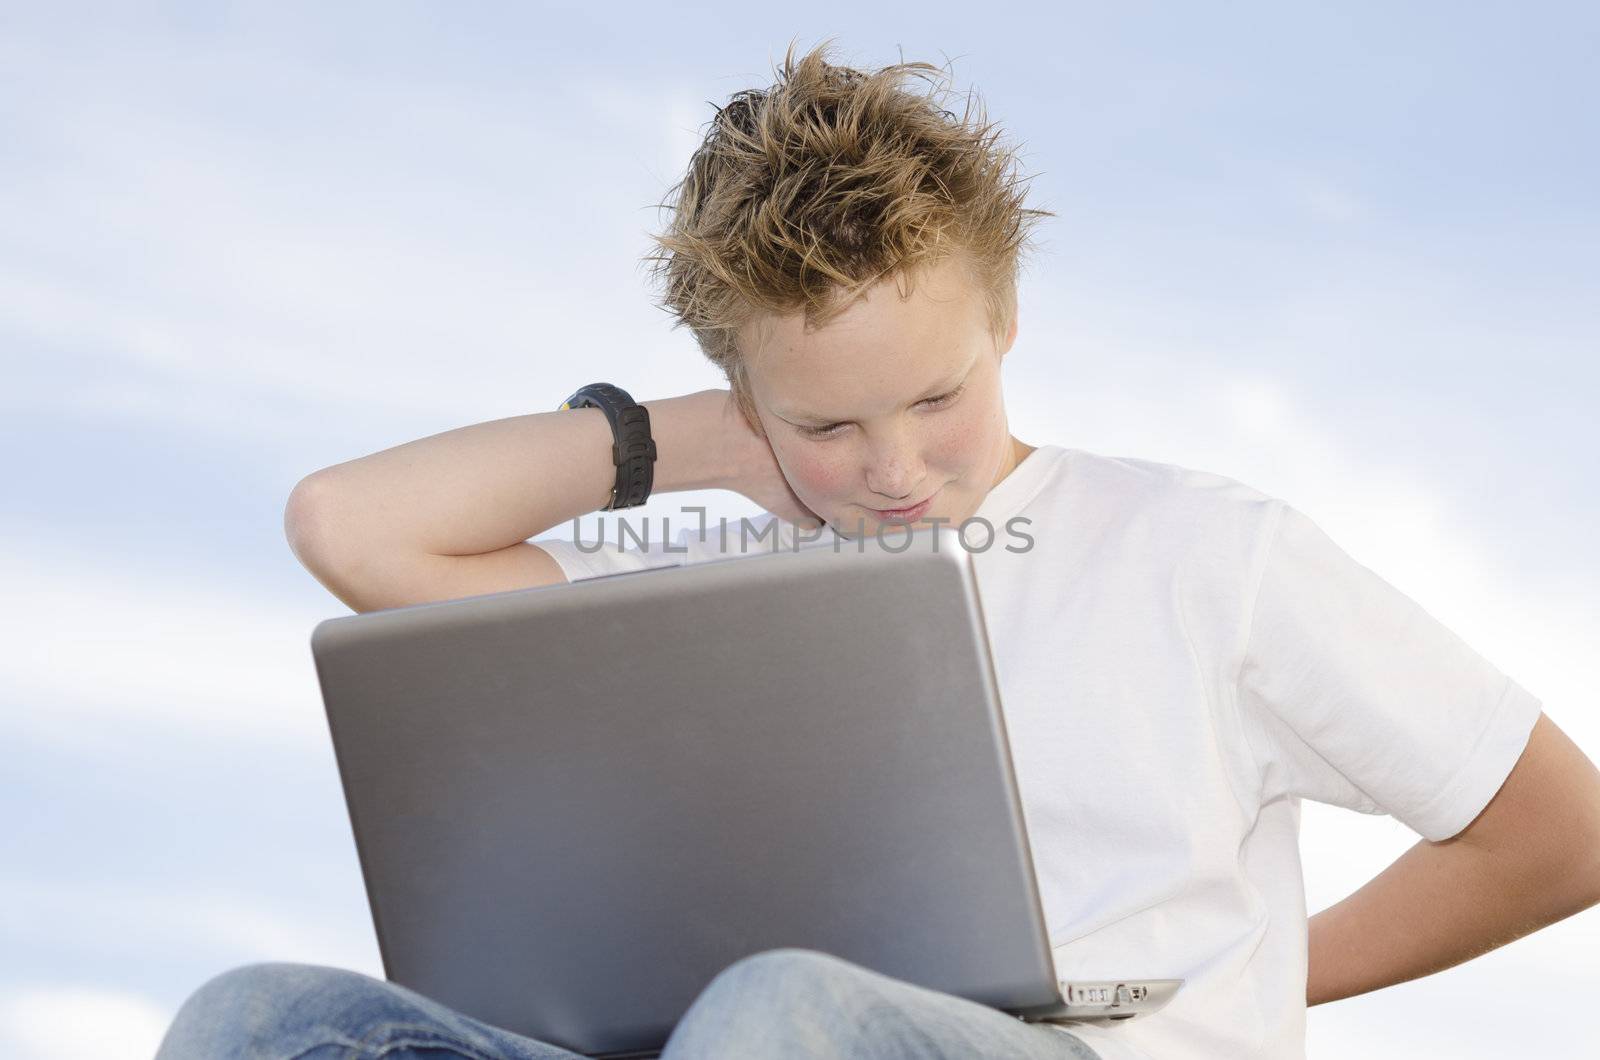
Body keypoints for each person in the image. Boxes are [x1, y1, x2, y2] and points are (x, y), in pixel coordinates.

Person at [159, 37, 1600, 1060]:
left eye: (937, 394)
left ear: (1007, 327)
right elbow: (347, 526)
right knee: (263, 1024)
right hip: (733, 1041)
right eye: (832, 422)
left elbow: (1560, 829)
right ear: (747, 401)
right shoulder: (713, 581)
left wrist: (1267, 983)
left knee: (780, 1008)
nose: (897, 468)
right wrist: (713, 445)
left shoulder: (1205, 554)